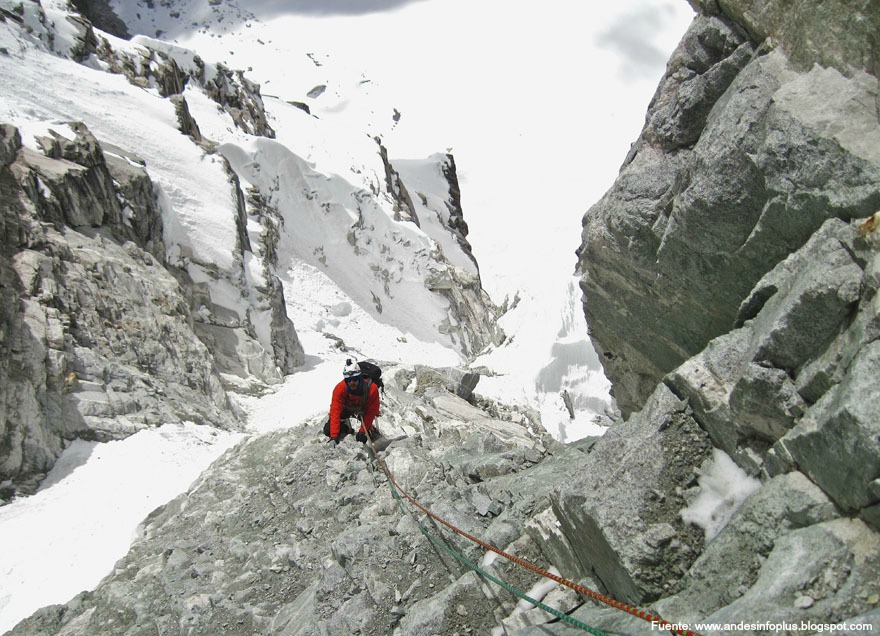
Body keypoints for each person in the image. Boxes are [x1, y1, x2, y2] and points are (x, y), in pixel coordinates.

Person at [324, 359, 381, 445]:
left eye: (355, 379)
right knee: (328, 430)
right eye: (349, 380)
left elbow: (372, 411)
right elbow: (335, 411)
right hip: (347, 408)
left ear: (360, 378)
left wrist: (363, 431)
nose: (352, 383)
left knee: (368, 435)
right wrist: (334, 437)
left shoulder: (371, 389)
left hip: (363, 408)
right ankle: (347, 427)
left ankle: (370, 428)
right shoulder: (339, 389)